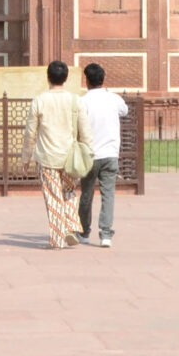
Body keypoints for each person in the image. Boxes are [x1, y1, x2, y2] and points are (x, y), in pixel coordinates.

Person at [25, 61, 88, 250]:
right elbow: (85, 130)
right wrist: (88, 152)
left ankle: (58, 238)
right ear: (66, 78)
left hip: (48, 158)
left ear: (48, 77)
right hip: (70, 157)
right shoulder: (75, 100)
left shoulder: (40, 100)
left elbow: (30, 133)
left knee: (53, 197)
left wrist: (26, 157)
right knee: (69, 192)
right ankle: (70, 226)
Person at [76, 62, 125, 247]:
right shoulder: (113, 99)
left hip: (90, 154)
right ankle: (106, 234)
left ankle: (84, 232)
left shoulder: (83, 101)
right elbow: (125, 110)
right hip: (110, 154)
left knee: (86, 195)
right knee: (108, 195)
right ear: (103, 79)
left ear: (86, 80)